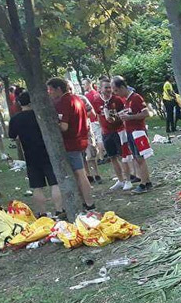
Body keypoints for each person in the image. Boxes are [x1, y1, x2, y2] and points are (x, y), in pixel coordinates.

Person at [8, 92, 64, 216]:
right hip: (46, 151)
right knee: (54, 182)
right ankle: (59, 209)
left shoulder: (15, 119)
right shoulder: (41, 116)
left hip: (30, 154)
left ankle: (42, 212)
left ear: (19, 103)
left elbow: (12, 137)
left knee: (36, 186)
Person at [46, 77, 96, 208]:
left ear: (58, 89)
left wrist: (52, 123)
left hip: (72, 142)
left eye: (51, 89)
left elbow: (64, 126)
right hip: (81, 139)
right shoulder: (77, 99)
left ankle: (89, 202)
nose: (49, 92)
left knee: (80, 173)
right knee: (80, 173)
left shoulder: (64, 102)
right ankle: (85, 201)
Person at [111, 75, 154, 194]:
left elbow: (146, 113)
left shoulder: (135, 98)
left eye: (116, 90)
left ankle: (143, 184)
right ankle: (147, 181)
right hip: (130, 131)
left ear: (123, 87)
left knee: (140, 158)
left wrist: (130, 117)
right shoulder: (127, 100)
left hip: (137, 132)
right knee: (136, 157)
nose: (116, 93)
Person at [91, 78, 132, 191]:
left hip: (118, 131)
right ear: (100, 88)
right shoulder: (96, 101)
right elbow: (98, 115)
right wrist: (102, 129)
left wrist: (115, 119)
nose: (109, 90)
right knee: (112, 157)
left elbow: (123, 114)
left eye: (110, 87)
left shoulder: (117, 99)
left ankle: (128, 180)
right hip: (106, 132)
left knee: (122, 156)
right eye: (106, 87)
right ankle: (120, 180)